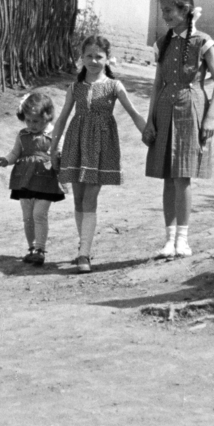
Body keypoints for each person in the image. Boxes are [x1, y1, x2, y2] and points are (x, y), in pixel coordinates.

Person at [142, 0, 214, 259]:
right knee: (167, 176)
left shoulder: (202, 42)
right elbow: (157, 84)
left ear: (184, 10)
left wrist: (210, 116)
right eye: (162, 11)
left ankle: (183, 240)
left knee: (182, 176)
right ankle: (168, 240)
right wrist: (150, 121)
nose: (164, 16)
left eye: (168, 11)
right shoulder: (162, 42)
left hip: (191, 108)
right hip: (165, 107)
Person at [54, 35, 148, 273]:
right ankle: (82, 246)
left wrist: (149, 134)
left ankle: (84, 254)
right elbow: (63, 117)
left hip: (101, 146)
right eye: (89, 56)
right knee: (77, 199)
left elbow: (134, 112)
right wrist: (53, 147)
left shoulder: (114, 86)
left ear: (107, 59)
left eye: (99, 56)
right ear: (81, 58)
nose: (94, 61)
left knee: (89, 199)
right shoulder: (75, 87)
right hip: (75, 144)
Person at [0, 90, 65, 266]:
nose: (31, 125)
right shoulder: (22, 135)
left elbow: (61, 154)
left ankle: (40, 249)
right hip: (24, 179)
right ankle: (31, 248)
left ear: (47, 117)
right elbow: (15, 153)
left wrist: (59, 158)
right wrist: (5, 160)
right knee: (27, 216)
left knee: (39, 214)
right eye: (28, 120)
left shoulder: (55, 134)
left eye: (36, 121)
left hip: (46, 179)